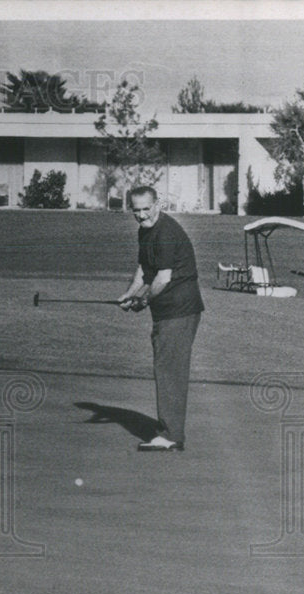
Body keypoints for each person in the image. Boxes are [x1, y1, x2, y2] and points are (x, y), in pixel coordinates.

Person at [117, 186, 205, 452]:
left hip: (179, 310)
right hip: (167, 310)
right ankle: (169, 430)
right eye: (137, 210)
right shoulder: (146, 231)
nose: (142, 215)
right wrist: (129, 294)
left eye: (147, 208)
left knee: (169, 370)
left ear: (158, 204)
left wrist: (143, 300)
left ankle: (170, 435)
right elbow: (144, 268)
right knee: (165, 367)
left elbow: (163, 277)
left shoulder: (166, 232)